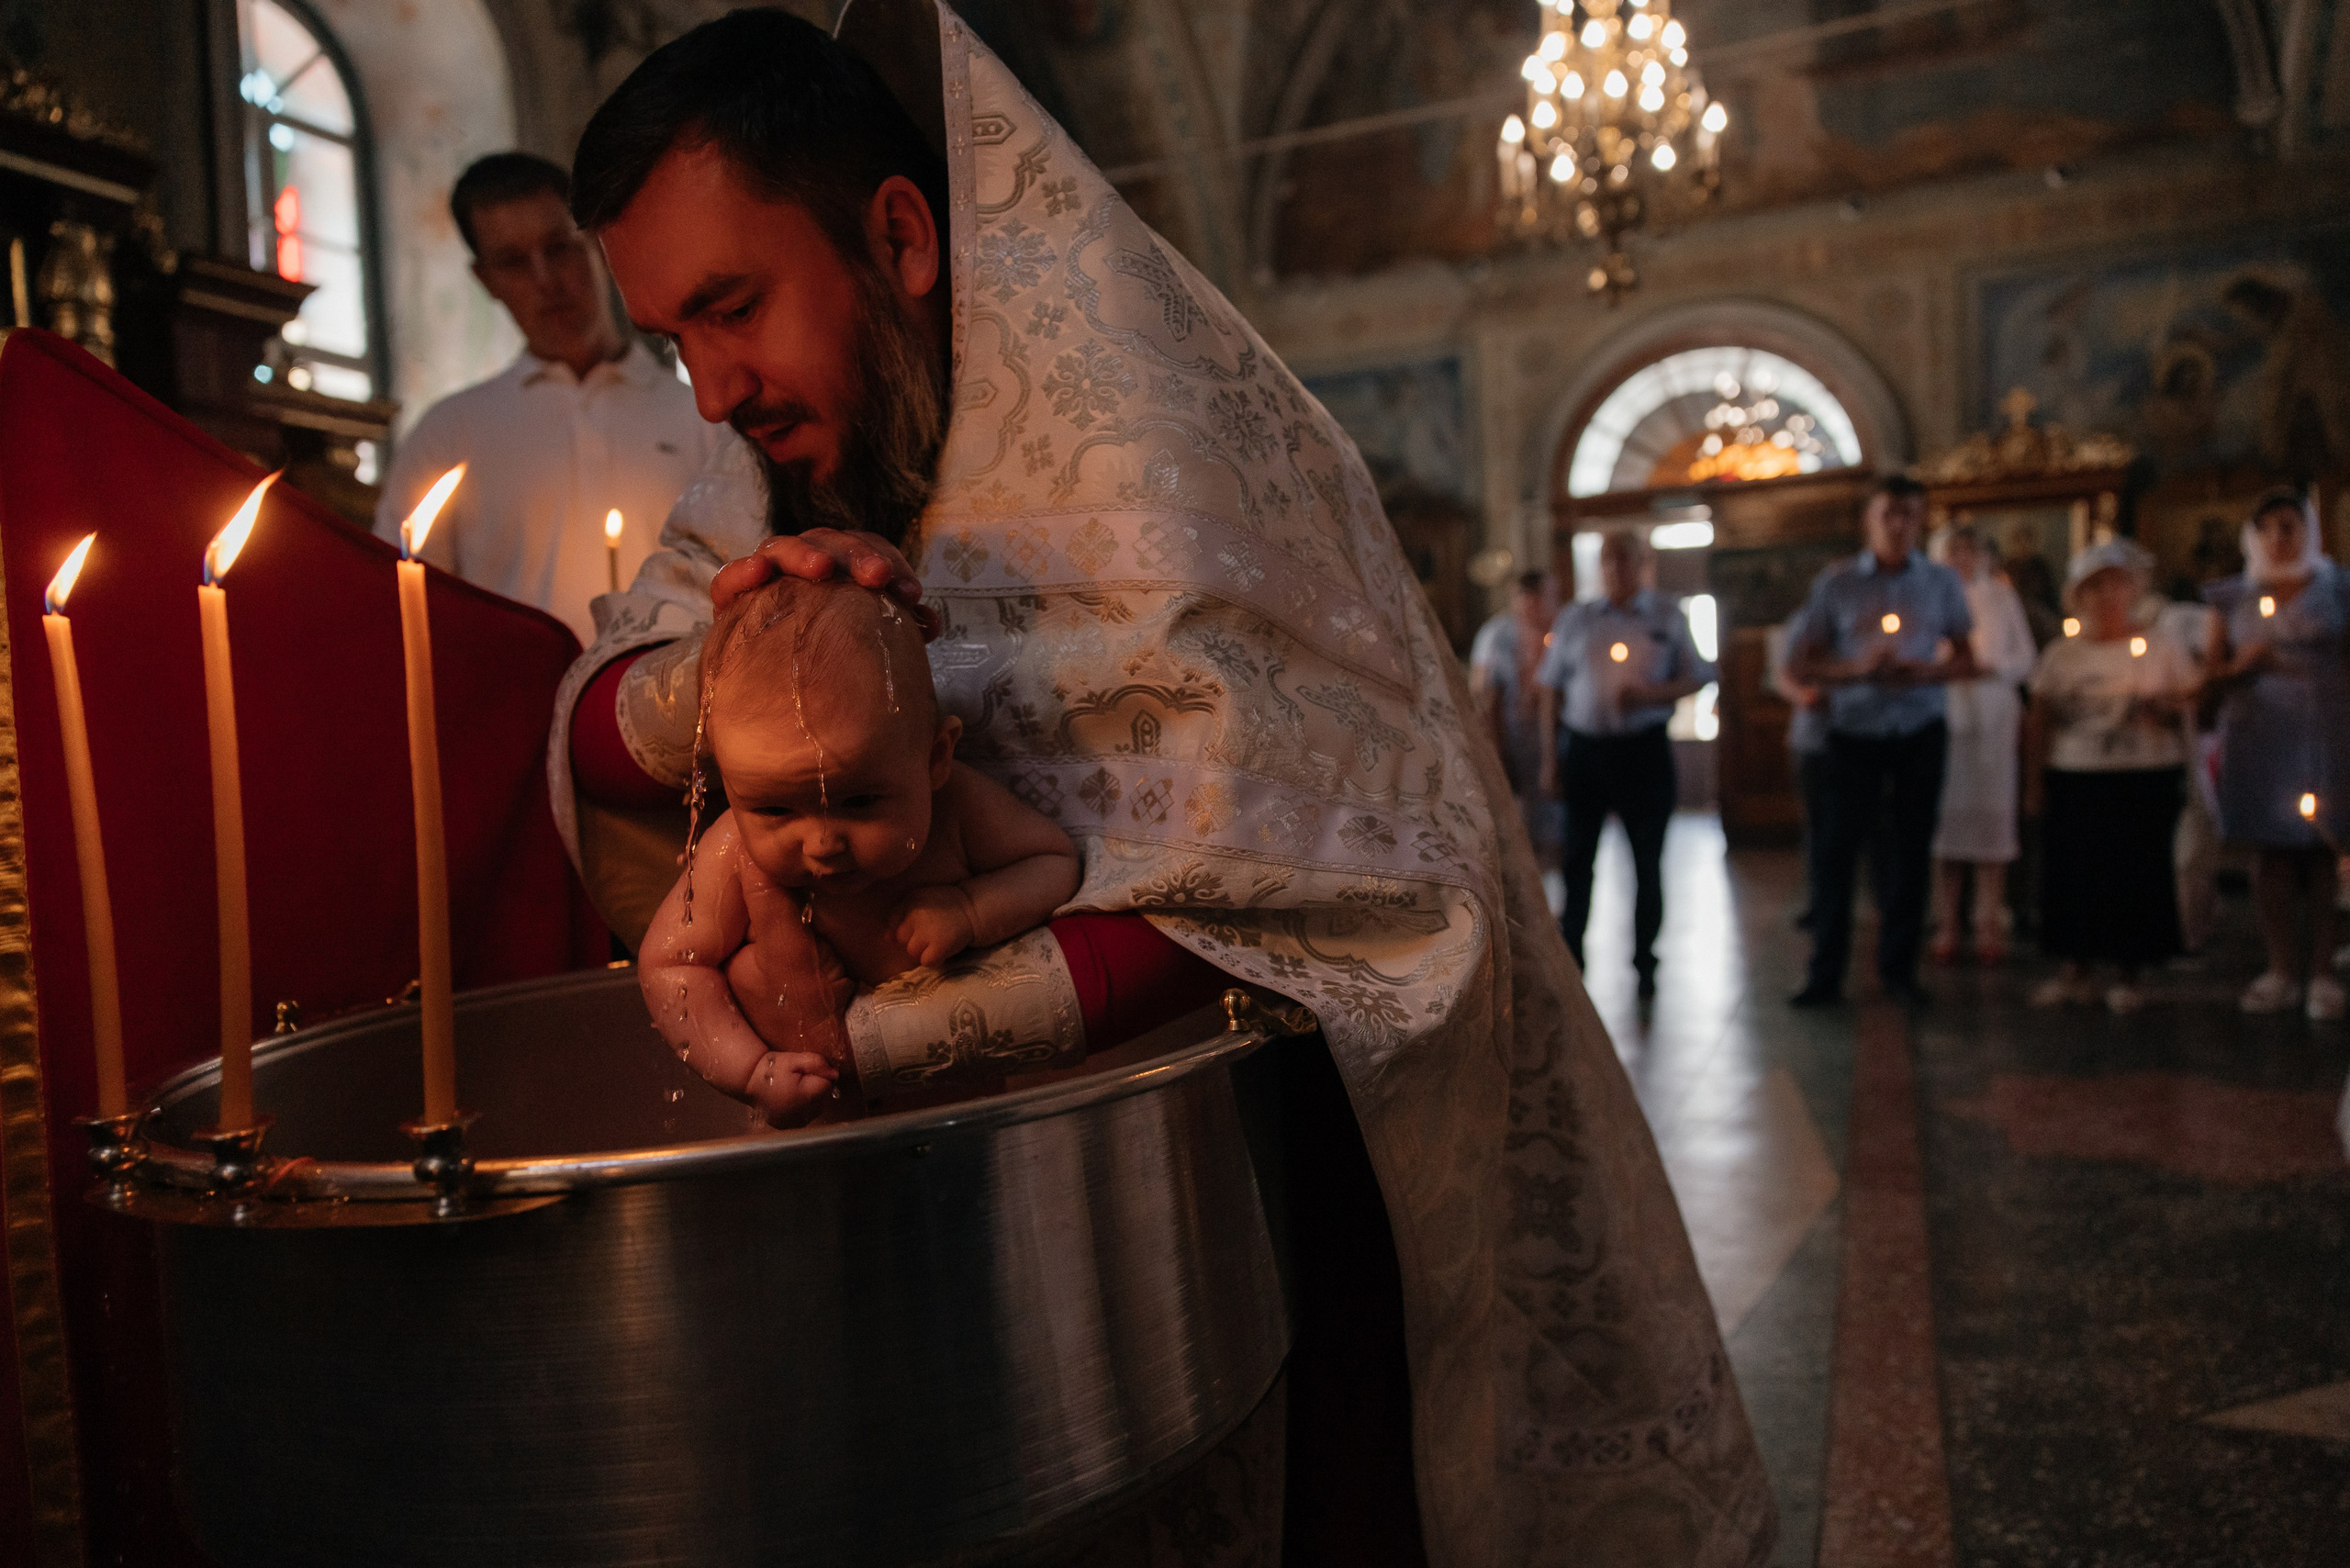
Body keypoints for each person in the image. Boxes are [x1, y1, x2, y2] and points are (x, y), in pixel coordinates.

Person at [546, 7, 1774, 1563]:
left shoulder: (1164, 449)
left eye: (733, 308)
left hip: (1236, 1212)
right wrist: (709, 684)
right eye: (672, 340)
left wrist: (919, 1018)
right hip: (941, 1249)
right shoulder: (770, 482)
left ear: (904, 235)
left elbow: (1358, 878)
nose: (711, 392)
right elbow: (599, 715)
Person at [637, 576, 1079, 1125]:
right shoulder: (733, 846)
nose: (822, 844)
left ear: (935, 758)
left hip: (965, 1101)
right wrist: (751, 1072)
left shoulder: (957, 807)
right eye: (775, 810)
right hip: (812, 1114)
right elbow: (671, 963)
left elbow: (1054, 861)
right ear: (725, 781)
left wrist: (971, 909)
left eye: (861, 801)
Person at [374, 152, 724, 644]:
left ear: (599, 243)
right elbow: (406, 612)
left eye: (559, 248)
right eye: (514, 262)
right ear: (486, 280)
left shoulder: (705, 417)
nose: (545, 280)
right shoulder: (448, 437)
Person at [1785, 475, 1980, 1007]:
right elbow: (1800, 661)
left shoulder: (1940, 583)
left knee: (1912, 852)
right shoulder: (1838, 583)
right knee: (1836, 854)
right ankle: (1826, 971)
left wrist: (1921, 674)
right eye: (1889, 513)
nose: (1898, 525)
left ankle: (1899, 972)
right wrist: (1858, 669)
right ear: (1870, 518)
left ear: (1921, 521)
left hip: (1919, 731)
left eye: (1909, 515)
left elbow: (1966, 659)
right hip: (1854, 735)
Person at [2023, 542, 2199, 1013]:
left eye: (2116, 584)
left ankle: (2131, 970)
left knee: (2135, 872)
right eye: (2095, 587)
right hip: (2078, 774)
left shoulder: (2161, 648)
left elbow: (2190, 706)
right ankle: (2075, 969)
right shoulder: (2063, 655)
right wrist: (2034, 784)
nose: (2107, 595)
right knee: (2076, 873)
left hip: (2143, 774)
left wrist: (2162, 708)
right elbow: (2039, 719)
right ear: (2080, 596)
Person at [1534, 531, 1712, 996]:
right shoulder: (1576, 618)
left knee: (1647, 860)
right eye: (1607, 559)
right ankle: (1573, 955)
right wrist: (1552, 760)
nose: (1614, 568)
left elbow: (1698, 676)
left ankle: (1644, 961)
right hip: (1587, 751)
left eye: (1624, 560)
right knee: (1578, 858)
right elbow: (1550, 690)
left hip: (1643, 751)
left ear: (1643, 564)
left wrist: (1651, 695)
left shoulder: (1667, 616)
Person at [2203, 487, 2350, 1018]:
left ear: (2308, 530)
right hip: (2261, 730)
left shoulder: (2337, 586)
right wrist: (2241, 667)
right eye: (2272, 528)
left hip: (2326, 729)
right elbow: (2211, 673)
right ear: (2256, 535)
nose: (2282, 537)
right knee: (2273, 853)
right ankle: (2281, 966)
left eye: (2292, 525)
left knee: (2323, 852)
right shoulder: (2232, 595)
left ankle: (2324, 972)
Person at [1928, 523, 2037, 963]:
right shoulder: (1930, 597)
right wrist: (1947, 664)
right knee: (1947, 827)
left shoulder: (2001, 597)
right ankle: (1948, 924)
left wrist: (1988, 666)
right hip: (1948, 716)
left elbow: (2024, 658)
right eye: (1953, 552)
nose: (1961, 560)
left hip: (1991, 718)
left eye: (1968, 551)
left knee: (1991, 825)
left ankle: (1990, 919)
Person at [1468, 570, 1561, 866]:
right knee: (1513, 834)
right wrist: (1495, 750)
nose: (1534, 608)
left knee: (1556, 837)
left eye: (1541, 600)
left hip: (1557, 746)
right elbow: (1485, 695)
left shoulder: (1563, 633)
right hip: (1510, 742)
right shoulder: (1497, 635)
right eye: (1527, 600)